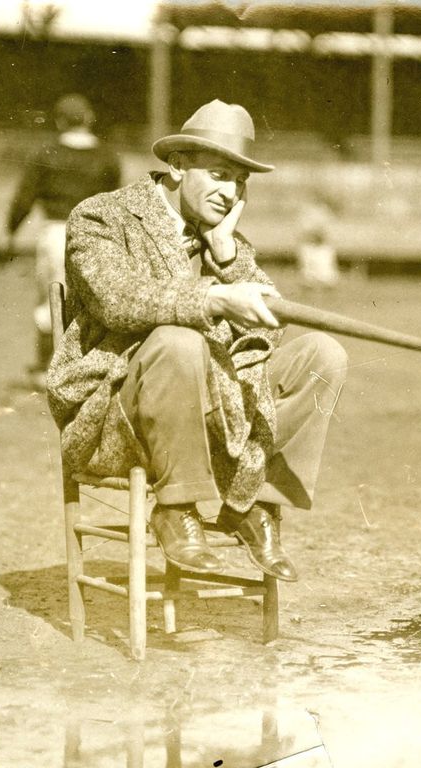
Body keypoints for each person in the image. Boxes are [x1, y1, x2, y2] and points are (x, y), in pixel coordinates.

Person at [46, 100, 348, 582]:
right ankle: (175, 507)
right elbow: (117, 301)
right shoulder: (102, 217)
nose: (230, 193)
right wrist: (216, 297)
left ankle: (253, 504)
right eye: (218, 174)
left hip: (212, 414)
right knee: (177, 341)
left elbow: (268, 334)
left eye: (240, 181)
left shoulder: (226, 238)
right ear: (177, 164)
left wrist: (228, 257)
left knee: (322, 356)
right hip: (118, 413)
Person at [7, 93, 121, 384]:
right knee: (93, 297)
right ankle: (89, 364)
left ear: (59, 121)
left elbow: (24, 198)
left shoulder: (46, 154)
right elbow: (116, 200)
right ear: (89, 118)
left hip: (57, 231)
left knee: (51, 297)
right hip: (97, 232)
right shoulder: (106, 156)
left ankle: (47, 366)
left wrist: (12, 228)